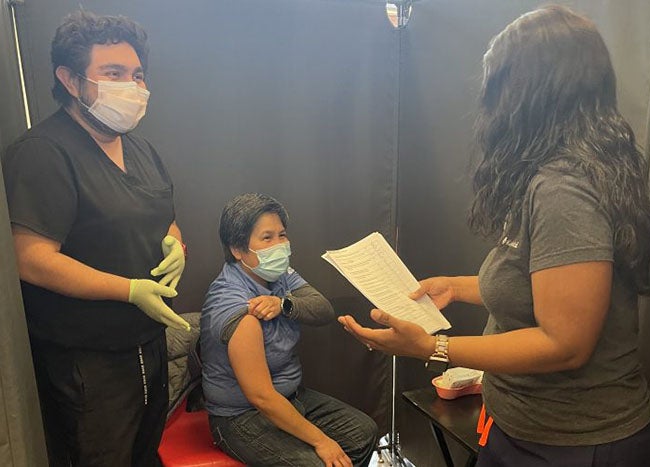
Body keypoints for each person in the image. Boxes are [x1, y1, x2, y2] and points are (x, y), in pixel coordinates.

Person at [339, 5, 650, 467]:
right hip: (521, 427)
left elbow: (565, 343)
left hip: (575, 443)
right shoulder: (548, 175)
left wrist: (435, 348)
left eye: (498, 86)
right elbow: (538, 285)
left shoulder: (565, 189)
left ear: (530, 93)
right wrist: (455, 287)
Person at [2, 10, 189, 466]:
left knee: (146, 454)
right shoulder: (43, 154)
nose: (133, 85)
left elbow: (163, 215)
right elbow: (30, 258)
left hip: (145, 342)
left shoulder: (140, 148)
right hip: (86, 360)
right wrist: (127, 290)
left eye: (137, 74)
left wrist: (175, 246)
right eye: (114, 73)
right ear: (70, 79)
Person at [200, 193, 378, 466]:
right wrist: (322, 442)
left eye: (282, 235)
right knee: (317, 463)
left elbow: (322, 310)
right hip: (241, 416)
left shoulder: (280, 276)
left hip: (292, 396)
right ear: (238, 249)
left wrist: (283, 304)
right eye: (267, 238)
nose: (279, 245)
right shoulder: (235, 305)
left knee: (364, 433)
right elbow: (262, 397)